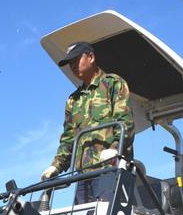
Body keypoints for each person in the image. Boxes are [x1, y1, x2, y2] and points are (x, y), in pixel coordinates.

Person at [41, 41, 135, 203]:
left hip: (110, 169)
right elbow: (69, 138)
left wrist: (115, 150)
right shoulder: (73, 100)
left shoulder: (112, 84)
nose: (73, 66)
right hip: (83, 175)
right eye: (70, 63)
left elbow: (125, 122)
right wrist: (56, 166)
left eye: (76, 60)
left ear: (91, 57)